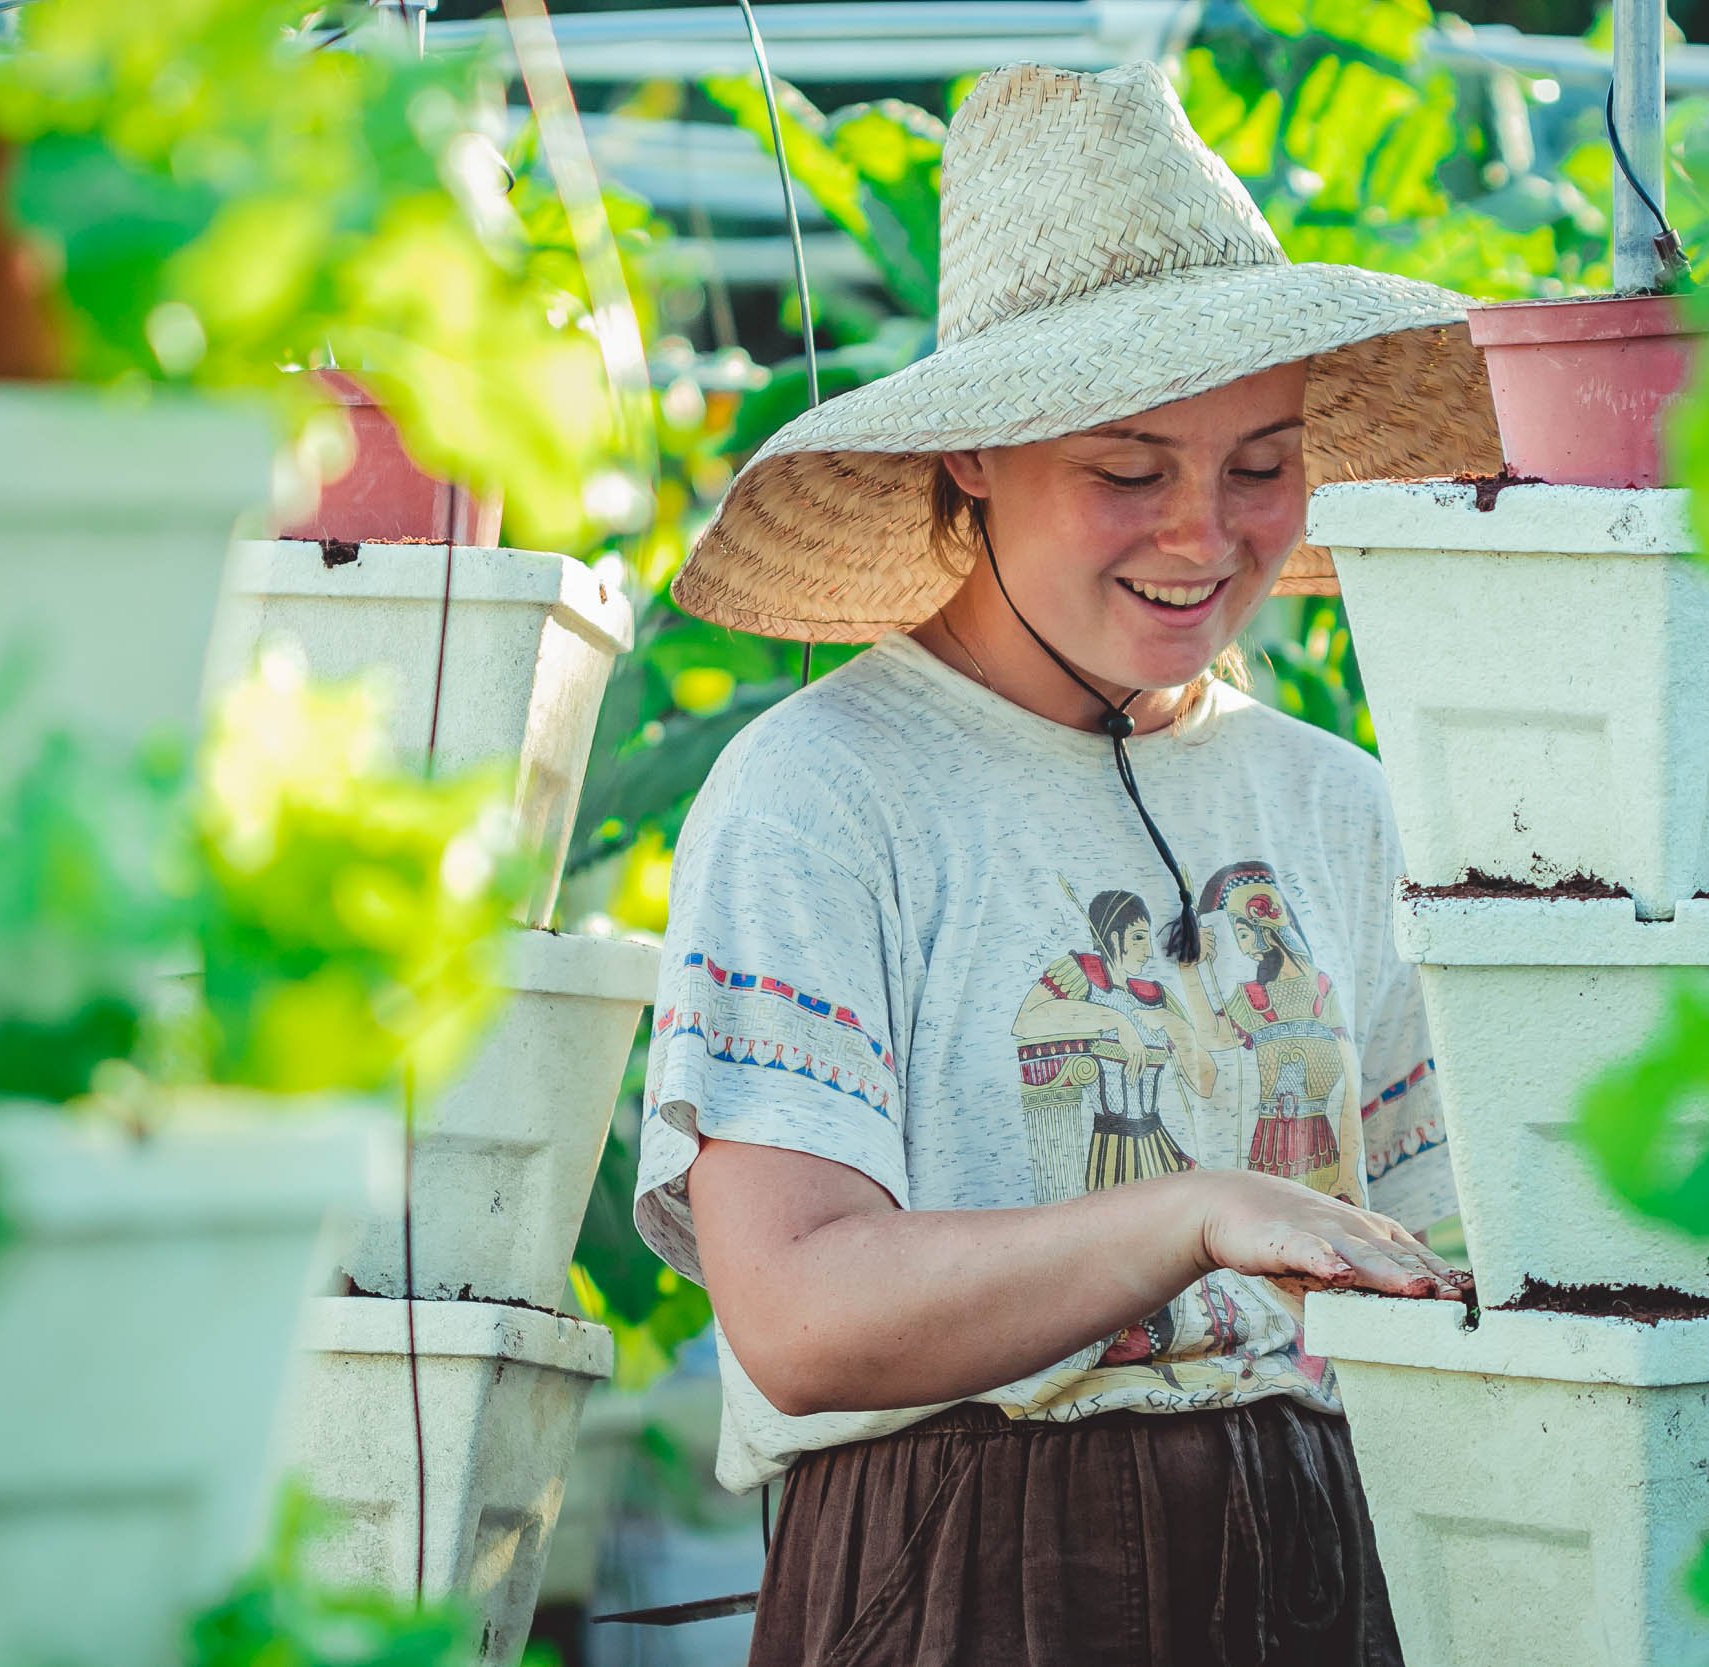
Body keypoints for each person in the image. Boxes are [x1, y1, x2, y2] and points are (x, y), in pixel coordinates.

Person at [633, 59, 1497, 1667]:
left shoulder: (1344, 804)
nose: (1205, 535)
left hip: (1328, 1556)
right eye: (1127, 471)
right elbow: (803, 1313)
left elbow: (1444, 1271)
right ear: (972, 454)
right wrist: (1189, 1216)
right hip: (966, 1572)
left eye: (1261, 463)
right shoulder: (822, 792)